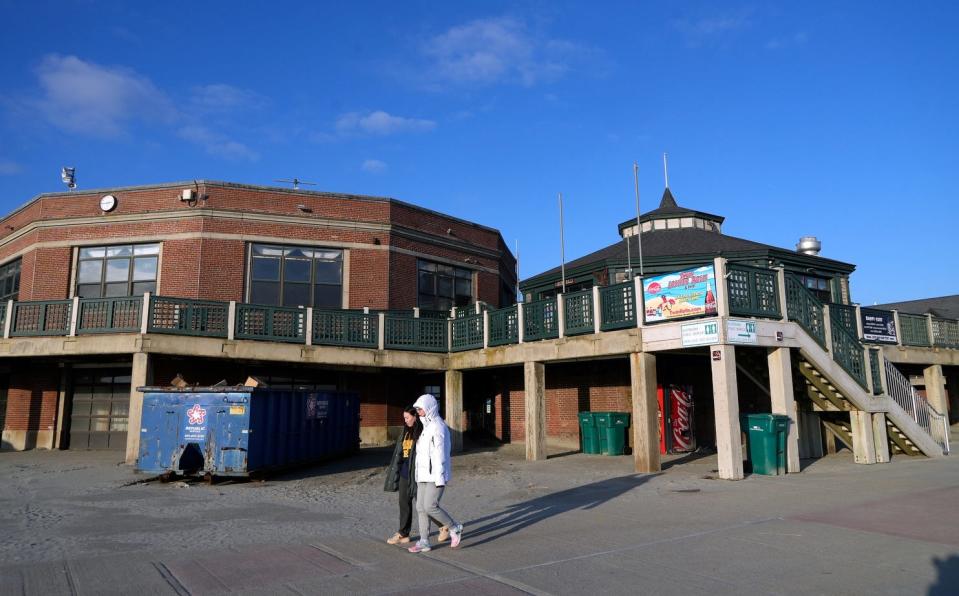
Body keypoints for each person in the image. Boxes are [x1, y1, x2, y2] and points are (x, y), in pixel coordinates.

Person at [383, 406, 450, 544]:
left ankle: (444, 526)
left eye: (407, 417)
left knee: (424, 506)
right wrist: (396, 470)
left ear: (415, 417)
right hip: (404, 473)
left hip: (419, 474)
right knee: (403, 503)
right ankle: (403, 533)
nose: (405, 420)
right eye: (404, 418)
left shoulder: (422, 431)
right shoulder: (405, 432)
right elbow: (399, 453)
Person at [408, 393, 463, 553]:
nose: (418, 411)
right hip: (423, 475)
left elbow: (440, 454)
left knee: (430, 506)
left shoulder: (438, 426)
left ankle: (455, 527)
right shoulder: (424, 426)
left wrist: (439, 477)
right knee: (420, 507)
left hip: (435, 475)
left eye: (420, 408)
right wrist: (417, 474)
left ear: (429, 408)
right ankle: (424, 541)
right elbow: (421, 454)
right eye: (417, 408)